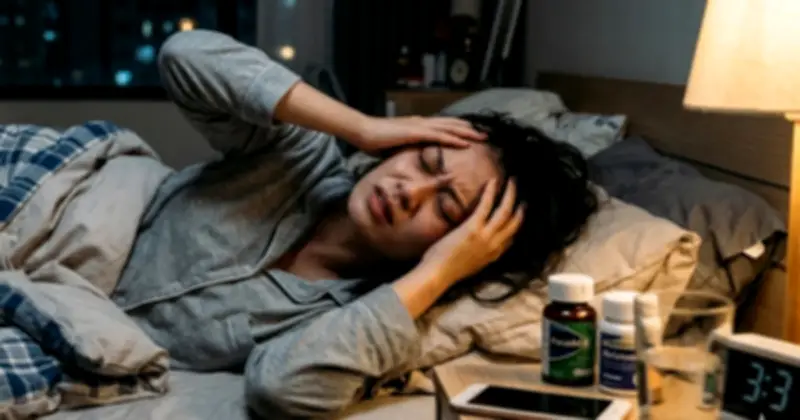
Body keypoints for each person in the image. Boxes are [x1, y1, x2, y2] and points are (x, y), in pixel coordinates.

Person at [108, 29, 598, 419]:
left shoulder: (355, 318)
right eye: (425, 161)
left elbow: (280, 390)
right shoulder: (298, 156)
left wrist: (437, 274)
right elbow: (185, 55)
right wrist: (361, 126)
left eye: (446, 209)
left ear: (463, 247)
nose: (409, 191)